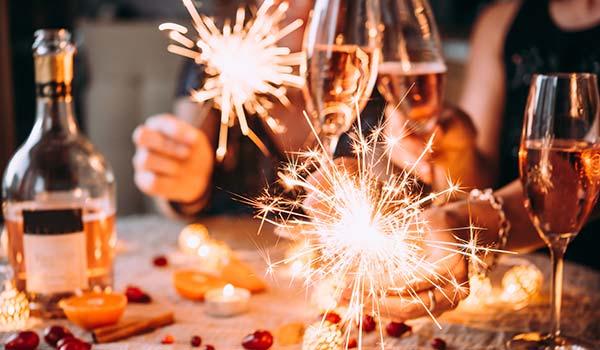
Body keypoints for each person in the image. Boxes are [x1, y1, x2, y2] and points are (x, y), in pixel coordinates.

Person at [378, 0, 600, 321]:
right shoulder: (501, 22)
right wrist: (453, 149)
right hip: (519, 289)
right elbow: (472, 187)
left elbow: (589, 174)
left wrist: (472, 223)